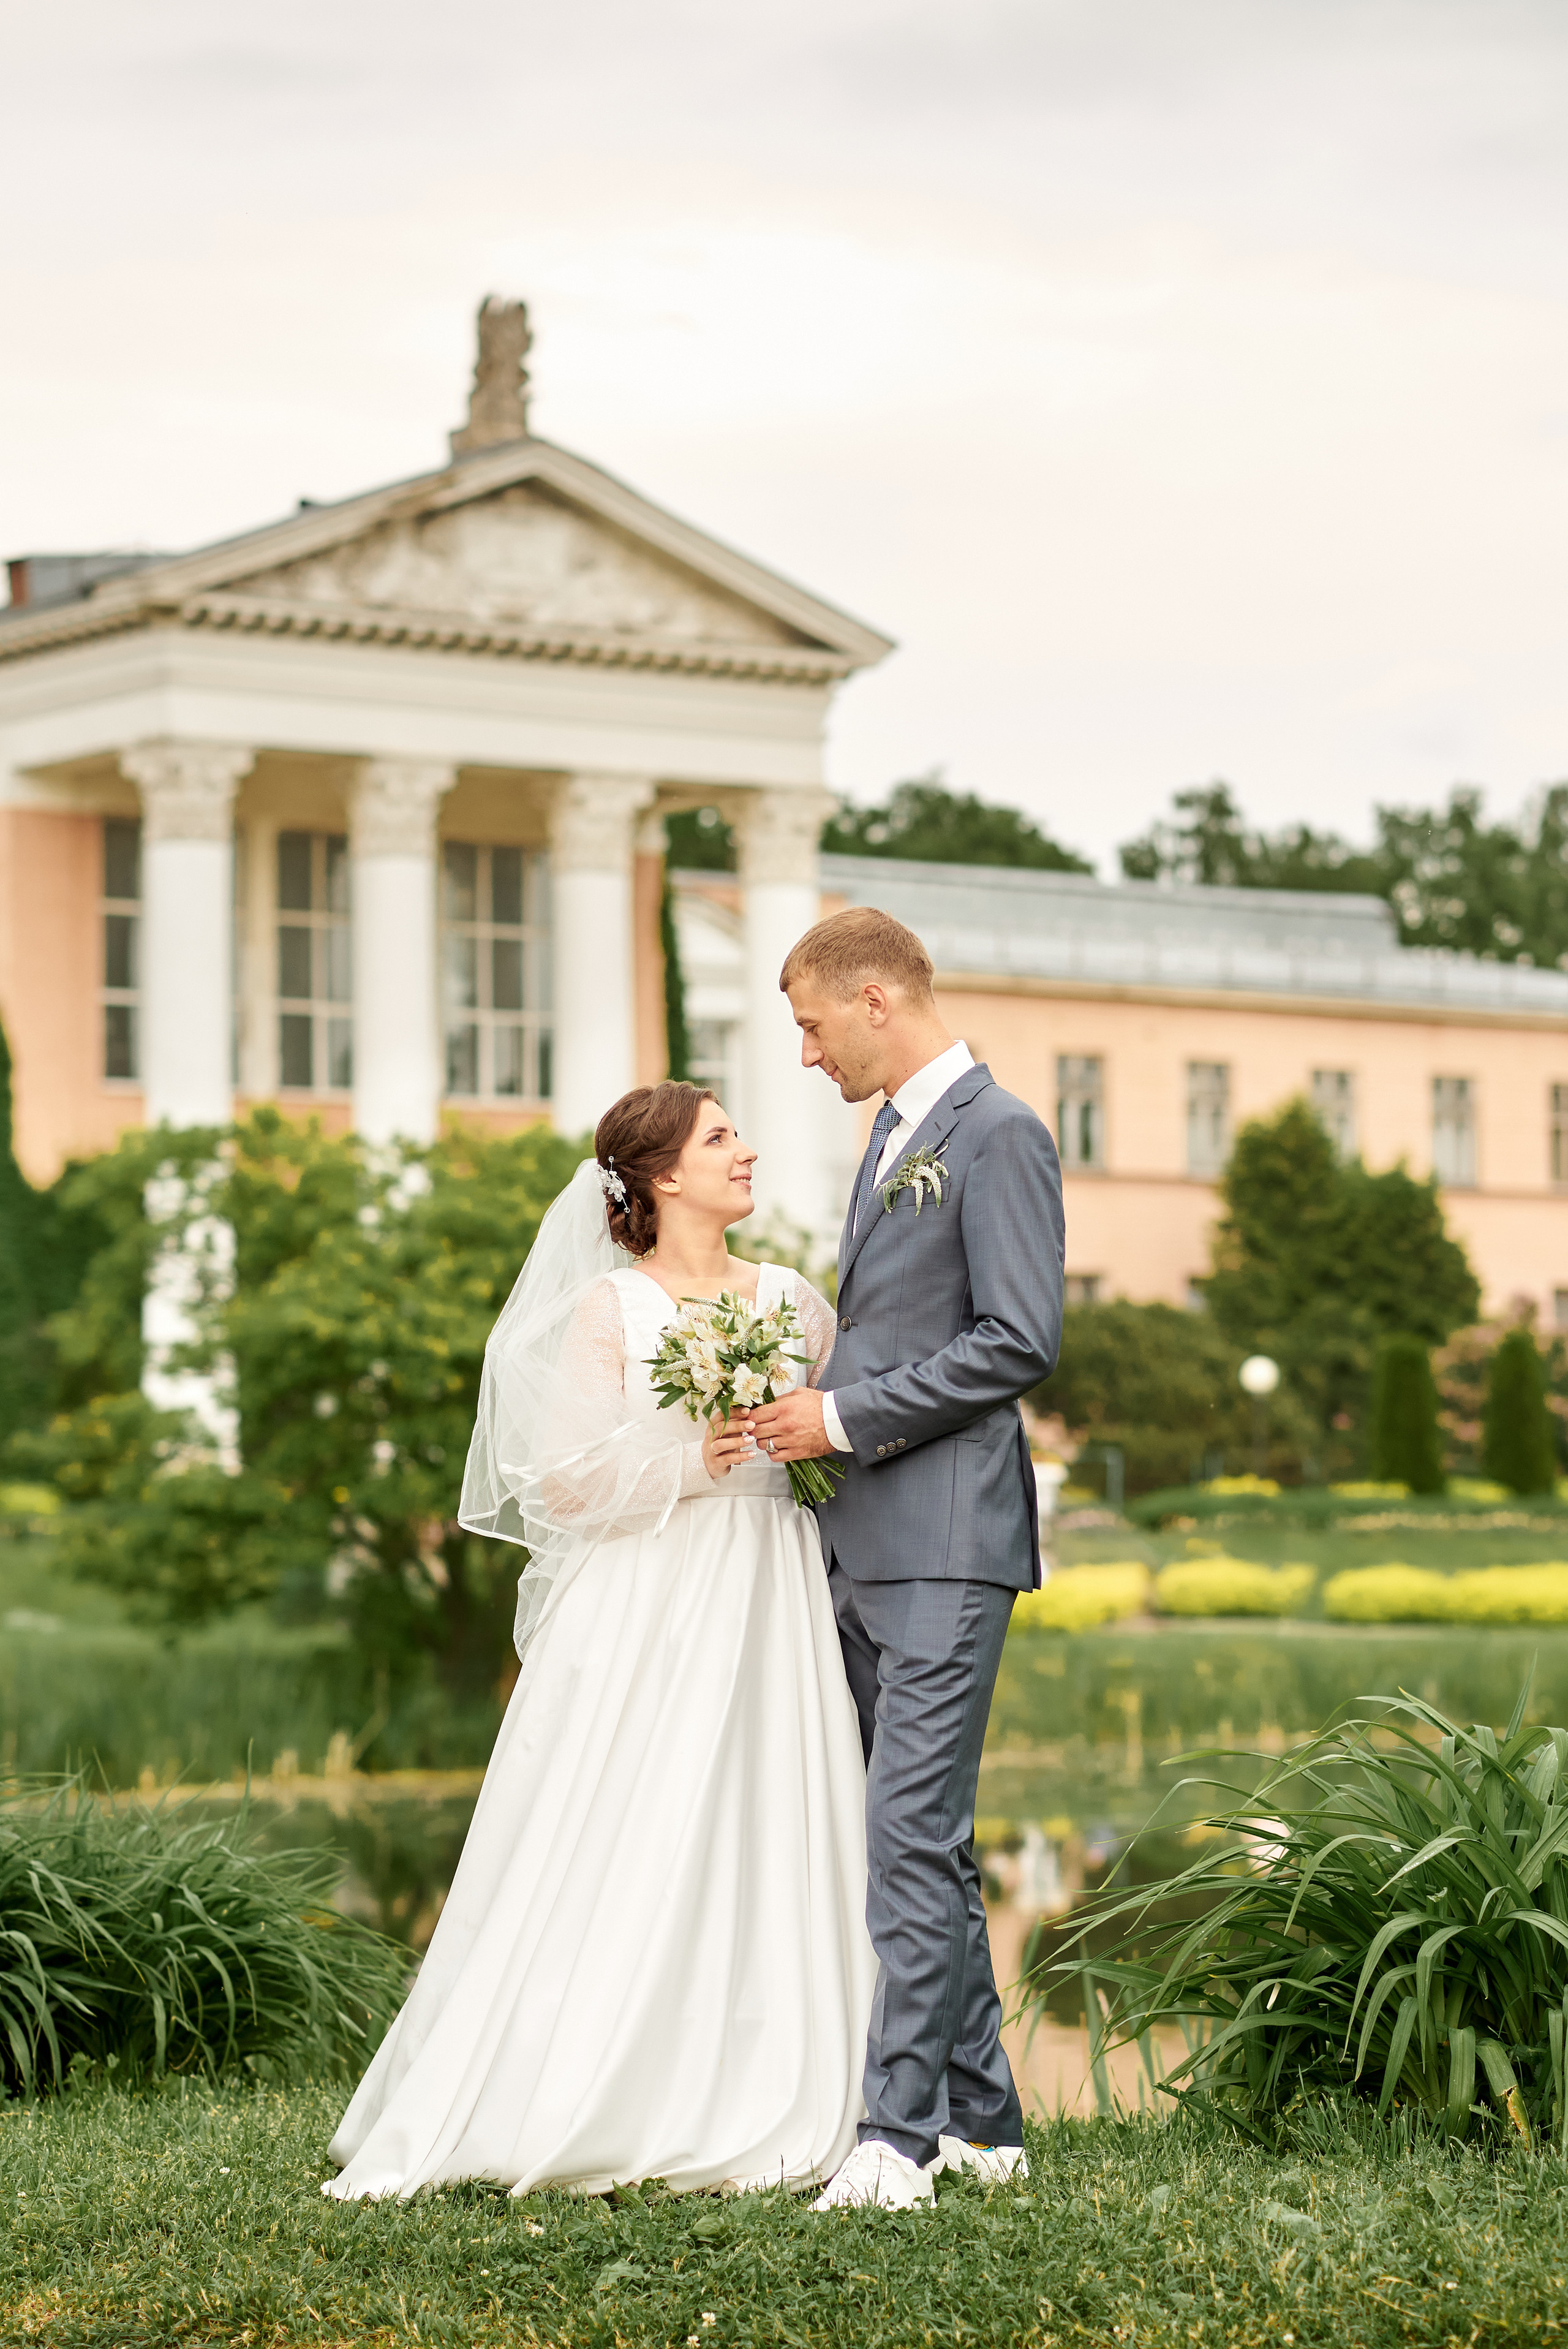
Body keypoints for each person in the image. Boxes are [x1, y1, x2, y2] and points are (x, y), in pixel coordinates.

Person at [323, 1081, 875, 2200]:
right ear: (663, 1175)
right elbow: (563, 1487)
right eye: (723, 1137)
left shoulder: (795, 1301)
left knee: (767, 1811)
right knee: (636, 1818)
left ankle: (783, 2074)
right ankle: (591, 2083)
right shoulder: (608, 1312)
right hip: (653, 1597)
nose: (748, 1150)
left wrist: (796, 1451)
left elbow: (836, 1434)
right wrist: (694, 1459)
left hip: (774, 1585)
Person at [748, 906, 1065, 2212]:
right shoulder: (891, 1137)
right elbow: (892, 1329)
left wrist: (840, 1416)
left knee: (906, 1835)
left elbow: (1017, 1339)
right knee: (921, 1844)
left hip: (944, 1542)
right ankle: (986, 2121)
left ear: (876, 999)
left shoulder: (999, 1136)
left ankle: (896, 2136)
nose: (809, 1057)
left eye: (814, 1028)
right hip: (862, 1539)